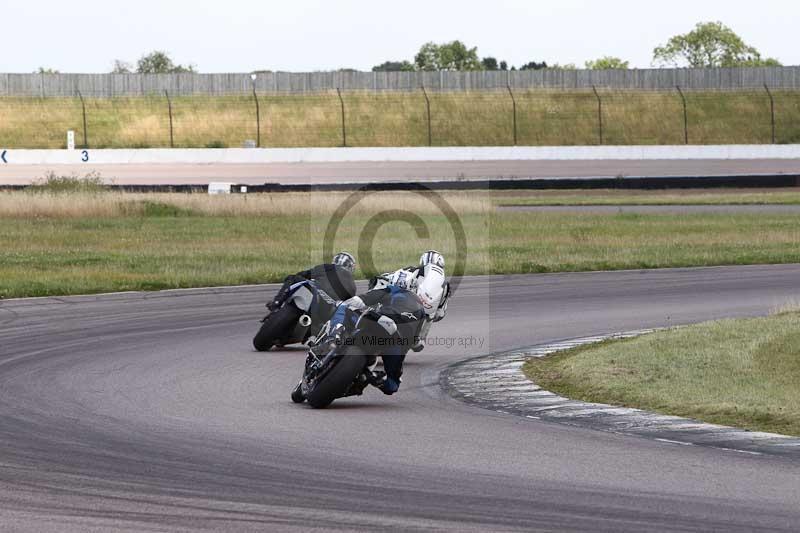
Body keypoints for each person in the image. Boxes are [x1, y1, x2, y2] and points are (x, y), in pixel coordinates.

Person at [339, 282, 426, 395]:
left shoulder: (394, 290)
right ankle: (371, 377)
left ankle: (335, 334)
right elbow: (415, 342)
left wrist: (349, 302)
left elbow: (363, 300)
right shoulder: (422, 312)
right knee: (393, 385)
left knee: (343, 307)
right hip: (397, 343)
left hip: (382, 322)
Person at [369, 250, 450, 352]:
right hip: (408, 309)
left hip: (407, 307)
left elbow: (389, 277)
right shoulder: (445, 287)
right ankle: (417, 339)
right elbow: (440, 314)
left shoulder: (411, 269)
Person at [268, 252, 357, 311]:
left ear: (335, 260)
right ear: (351, 267)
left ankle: (276, 303)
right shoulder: (353, 285)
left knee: (292, 278)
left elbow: (303, 274)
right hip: (327, 309)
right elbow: (347, 306)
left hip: (315, 293)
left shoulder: (328, 267)